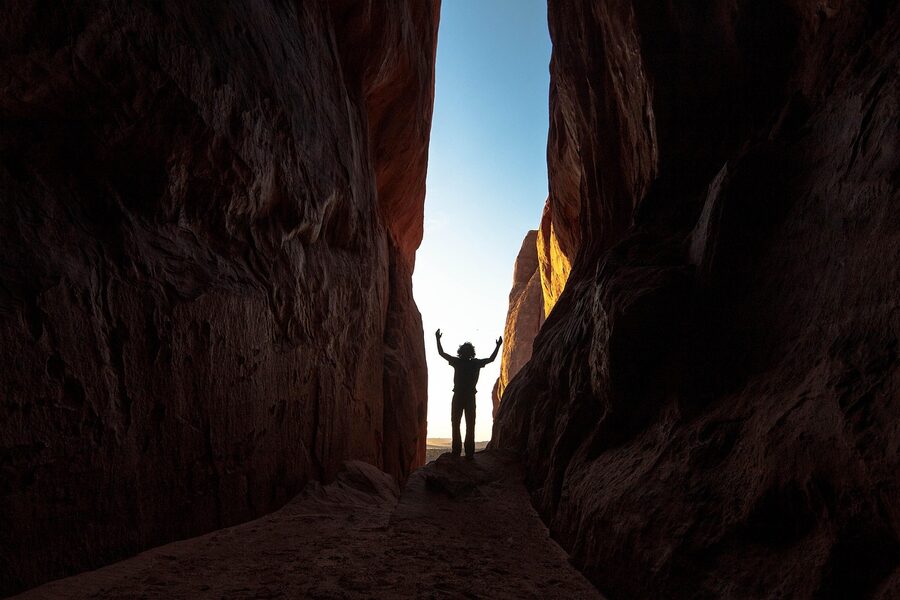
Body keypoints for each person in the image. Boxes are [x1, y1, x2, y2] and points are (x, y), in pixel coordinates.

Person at [435, 329, 502, 459]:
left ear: (462, 352)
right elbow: (491, 359)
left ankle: (457, 451)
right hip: (469, 397)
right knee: (469, 424)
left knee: (457, 423)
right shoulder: (475, 363)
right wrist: (497, 346)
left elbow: (442, 353)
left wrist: (437, 339)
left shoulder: (459, 362)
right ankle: (469, 453)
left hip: (460, 396)